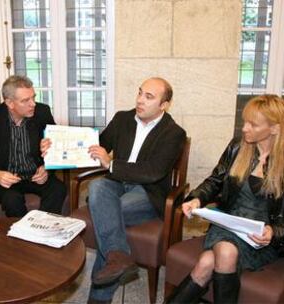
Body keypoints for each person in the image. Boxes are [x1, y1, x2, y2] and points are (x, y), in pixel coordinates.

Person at [166, 94, 284, 304]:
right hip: (228, 224)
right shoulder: (238, 146)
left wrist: (273, 232)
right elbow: (215, 180)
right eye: (244, 121)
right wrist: (197, 199)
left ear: (274, 128)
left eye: (253, 124)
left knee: (206, 262)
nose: (245, 128)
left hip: (260, 240)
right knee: (227, 252)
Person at [85, 77, 186, 303]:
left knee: (109, 211)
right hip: (117, 183)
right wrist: (58, 148)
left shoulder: (173, 133)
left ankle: (98, 298)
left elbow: (153, 172)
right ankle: (119, 256)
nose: (140, 100)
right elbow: (98, 146)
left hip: (147, 192)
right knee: (97, 185)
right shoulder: (123, 118)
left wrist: (110, 164)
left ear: (164, 105)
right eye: (140, 93)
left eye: (148, 97)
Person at [0, 75, 66, 217]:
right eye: (26, 100)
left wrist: (47, 169)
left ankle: (44, 230)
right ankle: (21, 235)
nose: (33, 104)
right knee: (12, 200)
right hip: (6, 178)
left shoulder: (42, 112)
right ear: (10, 103)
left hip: (34, 175)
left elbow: (56, 148)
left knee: (58, 189)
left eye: (33, 97)